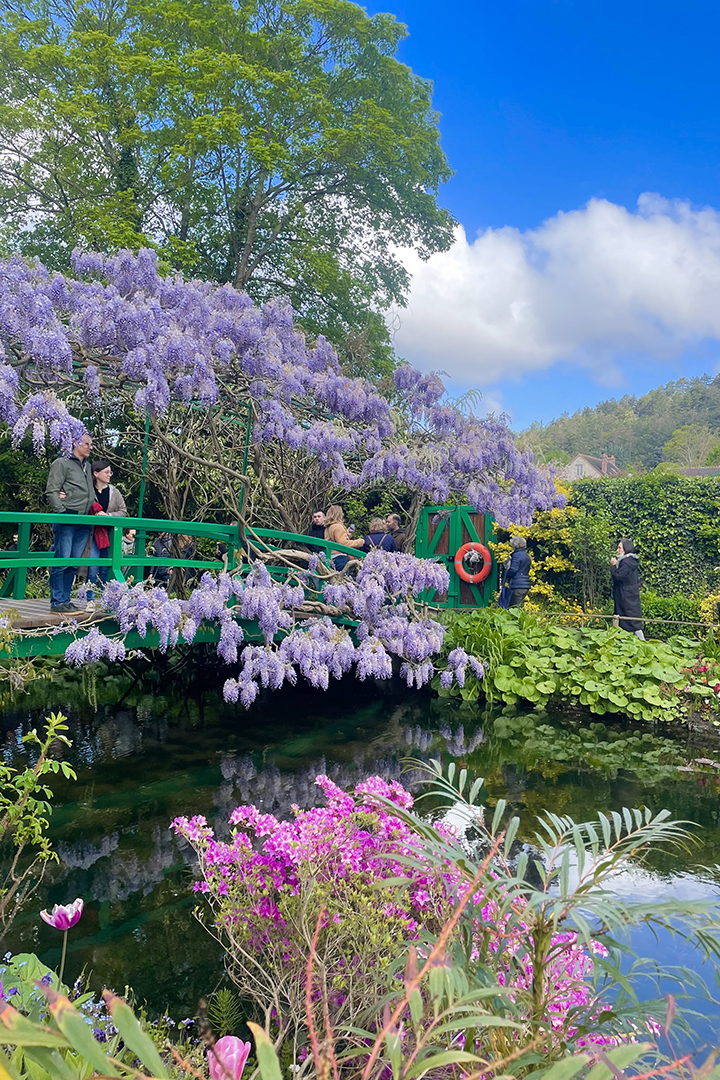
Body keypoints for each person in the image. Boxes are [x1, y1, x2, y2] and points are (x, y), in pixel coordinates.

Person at [45, 431, 95, 612]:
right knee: (62, 560)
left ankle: (65, 600)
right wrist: (62, 511)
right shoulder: (61, 463)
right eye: (87, 444)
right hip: (67, 519)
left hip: (84, 520)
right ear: (74, 442)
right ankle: (57, 602)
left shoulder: (87, 466)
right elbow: (52, 491)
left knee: (73, 563)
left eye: (91, 444)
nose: (90, 447)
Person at [83, 460, 128, 609]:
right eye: (106, 472)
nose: (109, 475)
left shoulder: (114, 492)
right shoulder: (88, 490)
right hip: (91, 535)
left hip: (108, 536)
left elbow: (123, 512)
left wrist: (108, 515)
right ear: (96, 474)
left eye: (110, 472)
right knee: (93, 566)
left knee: (105, 568)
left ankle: (104, 600)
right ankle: (89, 599)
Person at [610, 538, 644, 639]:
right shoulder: (631, 561)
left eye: (619, 548)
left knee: (632, 623)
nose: (617, 550)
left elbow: (618, 576)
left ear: (625, 549)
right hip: (628, 596)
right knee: (629, 622)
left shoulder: (626, 563)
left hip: (626, 597)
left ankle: (643, 643)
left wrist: (613, 566)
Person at [324, 505, 364, 570]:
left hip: (330, 556)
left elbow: (335, 540)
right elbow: (343, 543)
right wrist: (359, 542)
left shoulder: (328, 527)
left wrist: (347, 535)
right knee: (343, 578)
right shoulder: (338, 527)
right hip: (339, 557)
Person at [498, 536, 532, 609]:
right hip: (525, 585)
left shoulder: (516, 555)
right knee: (516, 607)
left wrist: (507, 571)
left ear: (515, 545)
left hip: (517, 585)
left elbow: (513, 570)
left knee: (513, 609)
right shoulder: (526, 555)